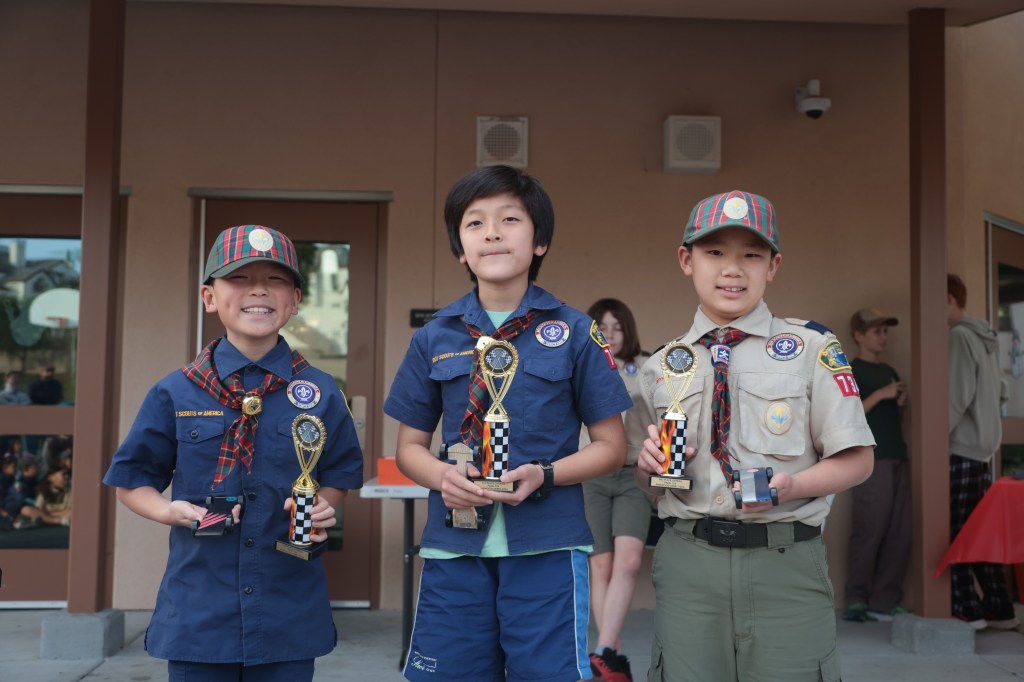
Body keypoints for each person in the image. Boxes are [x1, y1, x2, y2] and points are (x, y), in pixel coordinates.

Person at [383, 165, 631, 682]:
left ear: (539, 240)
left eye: (509, 219)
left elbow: (610, 446)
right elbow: (409, 447)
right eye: (474, 224)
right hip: (454, 547)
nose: (492, 232)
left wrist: (546, 473)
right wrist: (441, 477)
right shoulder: (435, 337)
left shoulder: (575, 331)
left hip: (548, 544)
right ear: (460, 249)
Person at [631, 190, 875, 681]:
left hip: (786, 562)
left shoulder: (811, 348)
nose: (732, 270)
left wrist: (795, 487)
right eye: (715, 252)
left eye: (751, 255)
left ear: (773, 266)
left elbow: (858, 459)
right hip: (688, 565)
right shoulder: (659, 367)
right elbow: (650, 487)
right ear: (687, 260)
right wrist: (648, 470)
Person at [103, 224, 365, 681]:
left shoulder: (321, 392)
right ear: (208, 297)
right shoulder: (176, 391)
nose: (259, 289)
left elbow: (341, 471)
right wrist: (168, 512)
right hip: (200, 608)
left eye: (276, 279)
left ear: (296, 299)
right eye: (240, 278)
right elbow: (131, 479)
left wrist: (324, 505)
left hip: (286, 605)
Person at [580, 298, 651, 682]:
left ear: (628, 329)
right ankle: (613, 657)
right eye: (601, 327)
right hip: (591, 474)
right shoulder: (581, 364)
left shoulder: (647, 367)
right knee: (601, 566)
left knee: (629, 563)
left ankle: (602, 651)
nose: (609, 334)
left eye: (617, 326)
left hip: (632, 474)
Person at [946, 273, 1019, 630]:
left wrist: (932, 440)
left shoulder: (959, 337)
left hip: (961, 449)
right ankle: (1000, 608)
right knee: (979, 529)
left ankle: (966, 608)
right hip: (984, 449)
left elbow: (955, 397)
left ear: (948, 299)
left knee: (957, 529)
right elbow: (1003, 391)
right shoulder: (985, 337)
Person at [842, 308, 912, 622]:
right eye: (876, 332)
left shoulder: (889, 371)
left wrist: (896, 402)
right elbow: (847, 414)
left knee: (900, 532)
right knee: (869, 529)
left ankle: (885, 600)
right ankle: (856, 599)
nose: (883, 338)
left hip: (898, 455)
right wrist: (881, 394)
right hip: (871, 460)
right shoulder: (850, 370)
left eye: (885, 332)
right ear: (858, 335)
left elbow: (891, 419)